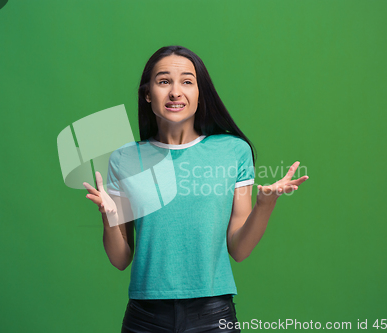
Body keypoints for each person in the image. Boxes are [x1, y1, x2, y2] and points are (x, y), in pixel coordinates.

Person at [83, 45, 309, 333]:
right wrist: (108, 217)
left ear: (200, 93)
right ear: (147, 93)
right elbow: (120, 259)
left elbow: (239, 249)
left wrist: (265, 204)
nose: (175, 92)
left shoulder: (232, 151)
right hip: (145, 316)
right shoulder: (126, 158)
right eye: (164, 81)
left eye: (187, 82)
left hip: (212, 314)